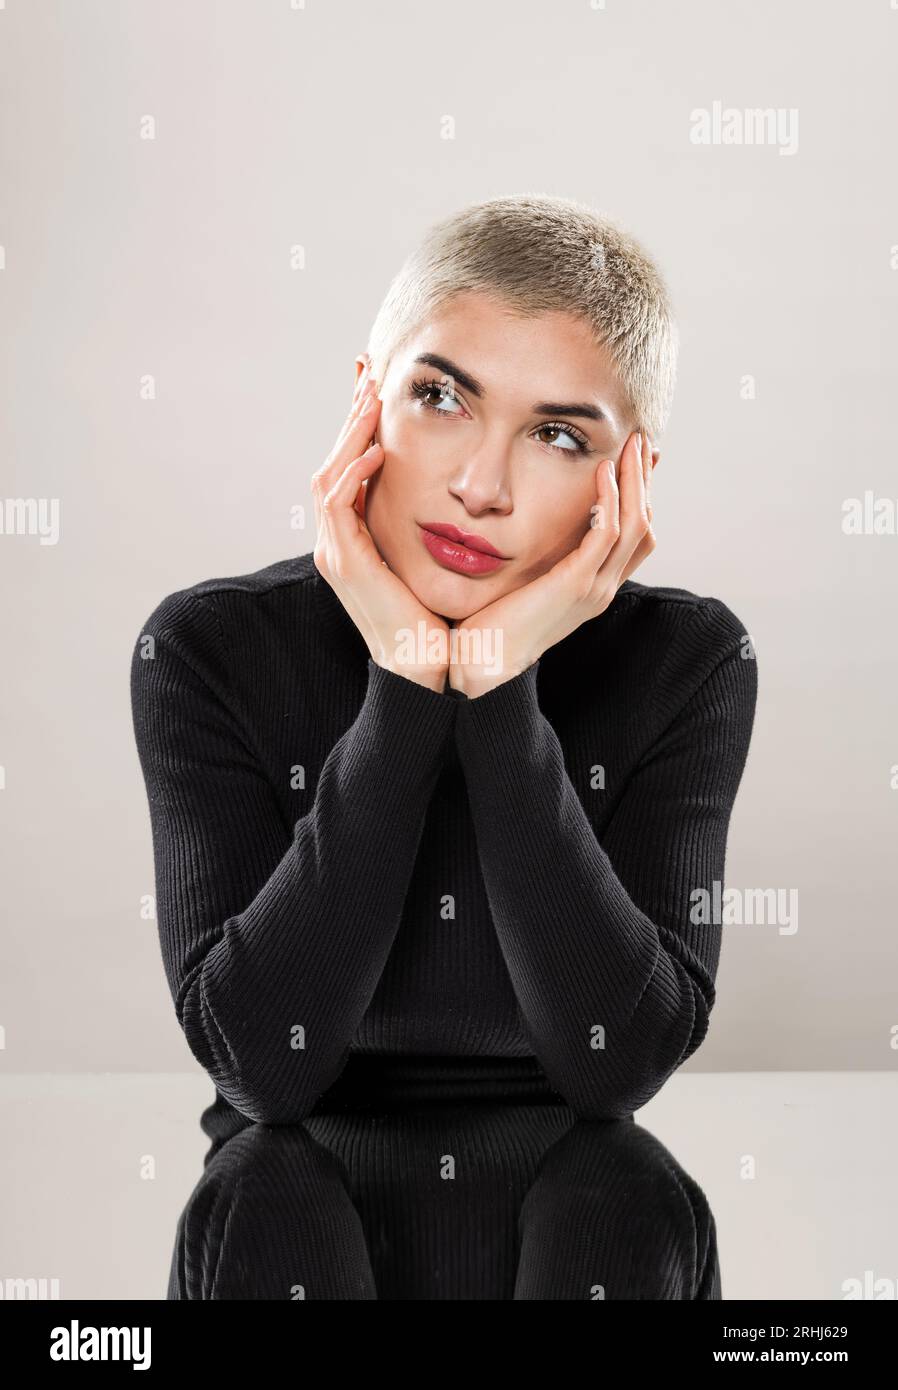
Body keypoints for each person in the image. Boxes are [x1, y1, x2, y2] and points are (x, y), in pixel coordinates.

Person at [131, 194, 757, 1297]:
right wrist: (409, 680)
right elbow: (265, 1067)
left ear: (628, 480)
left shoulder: (689, 662)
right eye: (440, 398)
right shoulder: (207, 650)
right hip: (276, 1209)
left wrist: (499, 680)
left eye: (558, 435)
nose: (481, 486)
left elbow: (615, 1066)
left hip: (597, 1212)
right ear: (365, 402)